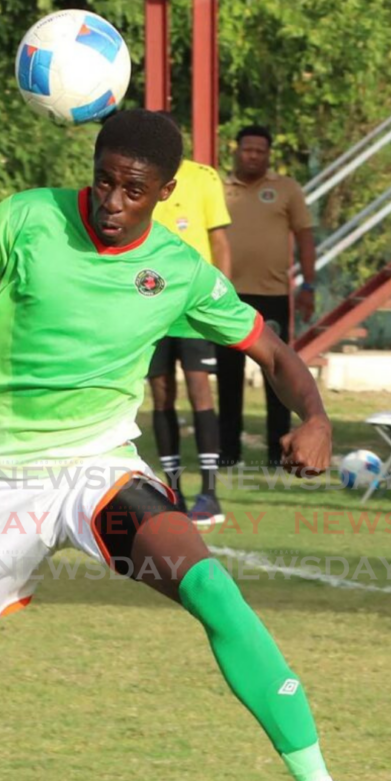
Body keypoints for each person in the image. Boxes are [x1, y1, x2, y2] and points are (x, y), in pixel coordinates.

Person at [0, 109, 391, 781]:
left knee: (212, 589)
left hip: (99, 469)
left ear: (165, 192)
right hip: (4, 480)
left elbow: (273, 352)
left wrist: (316, 415)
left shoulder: (180, 270)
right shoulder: (27, 218)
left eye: (133, 189)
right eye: (102, 181)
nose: (111, 201)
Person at [146, 114, 232, 526]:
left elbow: (219, 239)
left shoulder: (203, 177)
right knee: (161, 396)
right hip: (149, 307)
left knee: (201, 391)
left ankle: (210, 494)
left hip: (194, 304)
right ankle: (173, 491)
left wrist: (223, 295)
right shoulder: (142, 178)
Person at [217, 125, 316, 467]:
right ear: (237, 151)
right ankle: (228, 453)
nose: (253, 156)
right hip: (227, 297)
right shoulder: (218, 187)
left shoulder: (287, 189)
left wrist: (310, 285)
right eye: (248, 149)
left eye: (260, 150)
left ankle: (280, 452)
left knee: (279, 376)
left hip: (273, 294)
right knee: (228, 378)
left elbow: (305, 237)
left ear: (268, 154)